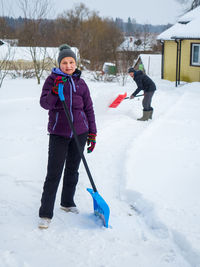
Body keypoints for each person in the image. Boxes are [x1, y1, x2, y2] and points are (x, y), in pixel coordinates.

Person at [38, 44, 97, 229]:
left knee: (72, 170)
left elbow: (89, 108)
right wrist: (55, 91)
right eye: (65, 62)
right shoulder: (52, 80)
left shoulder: (81, 83)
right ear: (59, 64)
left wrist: (93, 132)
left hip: (80, 132)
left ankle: (67, 202)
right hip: (59, 133)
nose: (69, 65)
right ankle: (45, 214)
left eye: (71, 62)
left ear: (75, 63)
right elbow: (44, 104)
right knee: (53, 173)